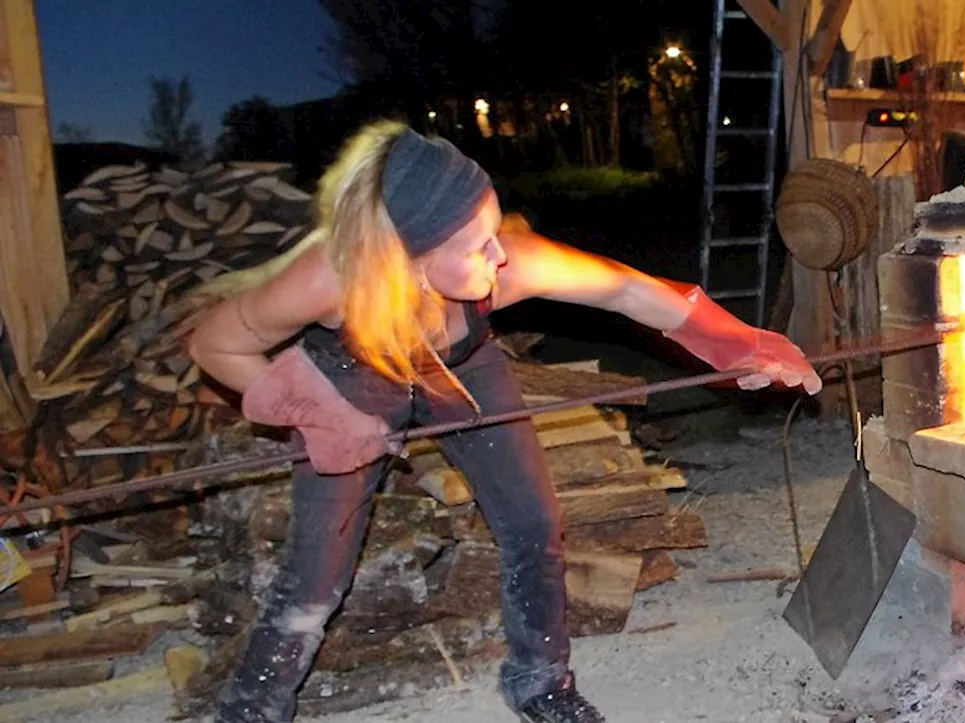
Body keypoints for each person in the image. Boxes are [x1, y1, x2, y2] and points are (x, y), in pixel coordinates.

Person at [184, 119, 822, 723]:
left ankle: (541, 681)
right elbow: (215, 345)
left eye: (494, 228)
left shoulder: (506, 268)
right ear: (405, 257)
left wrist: (739, 341)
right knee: (318, 567)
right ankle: (252, 708)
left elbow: (627, 291)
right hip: (353, 374)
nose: (500, 252)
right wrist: (325, 413)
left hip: (464, 364)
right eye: (475, 244)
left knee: (533, 521)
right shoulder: (328, 281)